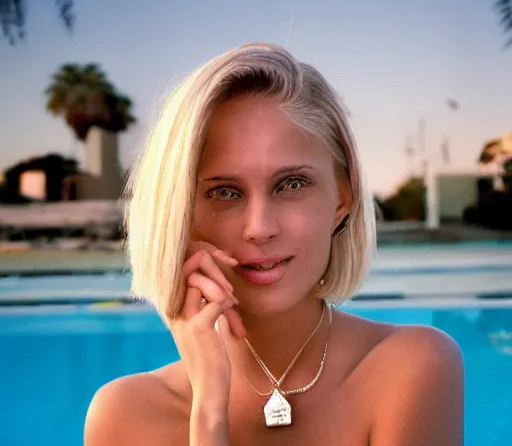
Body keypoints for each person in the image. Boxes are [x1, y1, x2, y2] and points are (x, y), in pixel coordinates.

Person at [84, 43, 464, 445]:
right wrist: (210, 413)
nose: (259, 228)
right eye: (225, 192)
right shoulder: (124, 416)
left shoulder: (412, 365)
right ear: (179, 212)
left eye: (292, 184)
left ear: (342, 199)